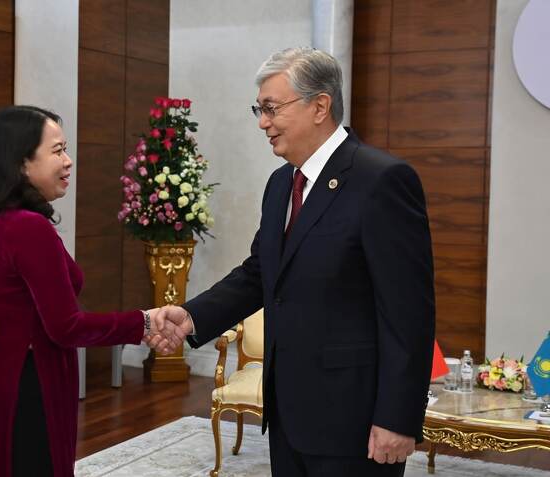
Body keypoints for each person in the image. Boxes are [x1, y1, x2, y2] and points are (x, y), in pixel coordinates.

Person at [157, 48, 435, 477]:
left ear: (320, 105)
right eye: (259, 109)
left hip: (353, 417)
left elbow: (408, 314)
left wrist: (398, 419)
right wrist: (193, 316)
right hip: (289, 410)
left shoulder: (381, 180)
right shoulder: (281, 182)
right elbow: (261, 271)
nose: (262, 122)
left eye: (271, 109)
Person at [0, 105, 181, 477]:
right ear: (21, 163)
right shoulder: (28, 228)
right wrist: (143, 323)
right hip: (27, 388)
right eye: (57, 150)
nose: (68, 161)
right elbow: (66, 326)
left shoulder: (1, 222)